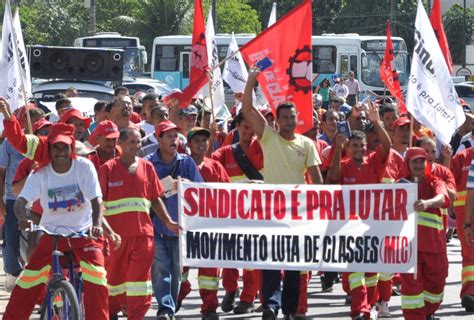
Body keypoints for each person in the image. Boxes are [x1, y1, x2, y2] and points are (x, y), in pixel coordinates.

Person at [0, 116, 112, 319]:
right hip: (51, 233)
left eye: (65, 147)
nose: (61, 152)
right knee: (28, 281)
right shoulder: (40, 174)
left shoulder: (84, 167)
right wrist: (23, 218)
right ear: (49, 149)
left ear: (72, 148)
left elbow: (96, 200)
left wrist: (96, 225)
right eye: (56, 147)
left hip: (84, 232)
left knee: (97, 278)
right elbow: (20, 201)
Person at [242, 68, 323, 320]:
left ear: (297, 119)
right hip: (270, 211)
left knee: (294, 265)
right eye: (284, 117)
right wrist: (251, 82)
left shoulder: (307, 144)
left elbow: (317, 179)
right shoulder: (269, 138)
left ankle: (288, 309)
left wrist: (321, 206)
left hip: (298, 212)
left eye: (292, 117)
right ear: (277, 121)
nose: (288, 120)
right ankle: (270, 305)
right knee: (269, 262)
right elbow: (247, 110)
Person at [100, 127, 179, 320]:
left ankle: (136, 316)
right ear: (120, 144)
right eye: (131, 143)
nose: (136, 147)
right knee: (114, 280)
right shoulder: (108, 169)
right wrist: (104, 229)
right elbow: (99, 202)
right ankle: (111, 312)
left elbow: (155, 198)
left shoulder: (147, 167)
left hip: (143, 236)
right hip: (116, 238)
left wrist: (168, 221)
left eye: (138, 143)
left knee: (140, 283)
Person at [327, 100, 391, 320]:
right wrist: (337, 151)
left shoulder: (374, 160)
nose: (359, 149)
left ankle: (368, 306)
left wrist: (377, 122)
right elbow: (332, 179)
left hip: (374, 226)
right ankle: (360, 310)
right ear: (348, 147)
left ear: (366, 146)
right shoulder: (343, 164)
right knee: (355, 274)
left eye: (361, 145)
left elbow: (388, 146)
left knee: (371, 275)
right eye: (354, 145)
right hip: (349, 228)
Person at [145, 120, 204, 320]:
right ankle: (165, 308)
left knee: (176, 270)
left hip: (180, 226)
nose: (174, 140)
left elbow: (201, 189)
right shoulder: (148, 163)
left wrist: (188, 186)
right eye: (169, 136)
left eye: (176, 136)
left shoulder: (186, 162)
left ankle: (169, 305)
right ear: (158, 139)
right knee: (161, 268)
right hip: (156, 225)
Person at [212, 112, 263, 314]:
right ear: (237, 128)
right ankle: (231, 290)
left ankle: (248, 298)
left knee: (252, 259)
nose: (248, 131)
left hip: (257, 214)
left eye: (251, 126)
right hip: (230, 214)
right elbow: (209, 166)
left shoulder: (265, 149)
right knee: (229, 256)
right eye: (244, 126)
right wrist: (210, 136)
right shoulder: (225, 153)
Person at [179, 127, 231, 319]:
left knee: (209, 273)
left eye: (205, 140)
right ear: (189, 144)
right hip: (184, 227)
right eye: (197, 140)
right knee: (180, 269)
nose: (202, 144)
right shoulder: (181, 164)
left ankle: (209, 308)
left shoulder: (215, 166)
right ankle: (181, 291)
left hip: (209, 228)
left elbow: (228, 194)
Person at [398, 148, 450, 320]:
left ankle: (427, 313)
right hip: (408, 248)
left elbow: (442, 198)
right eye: (415, 161)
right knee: (411, 291)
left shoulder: (435, 182)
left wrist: (427, 203)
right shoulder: (398, 185)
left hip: (434, 245)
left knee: (436, 286)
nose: (419, 165)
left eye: (422, 161)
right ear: (408, 163)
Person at [0, 107, 45, 292]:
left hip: (39, 202)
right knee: (11, 239)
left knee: (36, 240)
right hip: (13, 198)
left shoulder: (46, 146)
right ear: (23, 123)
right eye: (31, 121)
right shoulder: (10, 144)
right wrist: (0, 200)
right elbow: (1, 173)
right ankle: (13, 272)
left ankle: (35, 277)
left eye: (39, 122)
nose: (36, 125)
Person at [451, 145, 474, 311]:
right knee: (470, 256)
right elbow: (450, 180)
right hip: (465, 213)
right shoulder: (462, 157)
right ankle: (470, 293)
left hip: (466, 215)